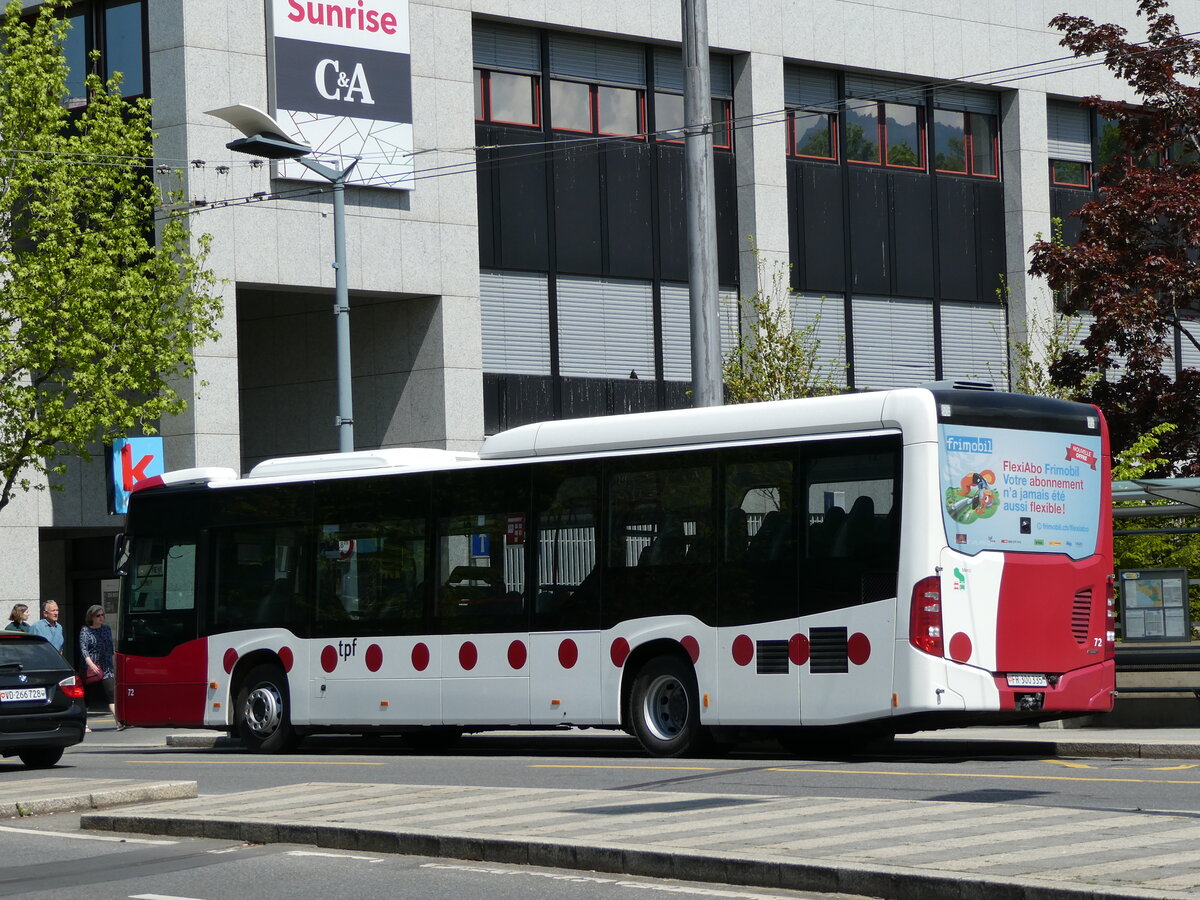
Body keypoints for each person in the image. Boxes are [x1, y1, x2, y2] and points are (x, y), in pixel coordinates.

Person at [79, 605, 123, 731]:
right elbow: (83, 649)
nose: (101, 618)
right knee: (87, 697)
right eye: (98, 615)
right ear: (91, 617)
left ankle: (118, 722)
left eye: (103, 615)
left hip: (107, 666)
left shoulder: (107, 629)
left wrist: (115, 663)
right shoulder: (85, 631)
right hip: (90, 668)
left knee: (112, 694)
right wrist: (91, 664)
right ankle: (84, 724)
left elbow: (111, 647)